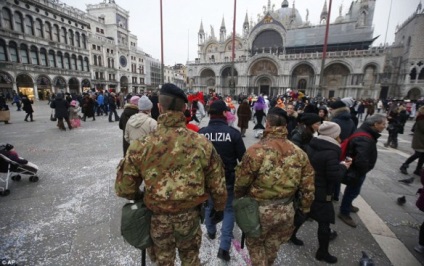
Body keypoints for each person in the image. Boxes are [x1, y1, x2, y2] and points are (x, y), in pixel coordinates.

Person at [115, 83, 227, 266]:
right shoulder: (201, 143)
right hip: (189, 218)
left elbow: (124, 188)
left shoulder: (141, 145)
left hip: (157, 218)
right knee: (191, 261)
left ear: (159, 107)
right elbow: (218, 184)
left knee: (163, 262)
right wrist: (219, 208)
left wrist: (141, 196)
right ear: (184, 108)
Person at [234, 107, 315, 265]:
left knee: (256, 245)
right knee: (272, 247)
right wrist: (304, 209)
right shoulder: (299, 153)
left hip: (259, 211)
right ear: (285, 126)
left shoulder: (256, 151)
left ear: (268, 124)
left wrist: (239, 199)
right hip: (286, 210)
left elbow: (241, 182)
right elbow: (308, 187)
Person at [198, 100, 246, 262]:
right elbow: (243, 160)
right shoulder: (233, 133)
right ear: (224, 113)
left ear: (210, 113)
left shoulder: (201, 133)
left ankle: (211, 230)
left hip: (207, 181)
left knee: (210, 204)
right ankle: (224, 247)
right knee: (229, 210)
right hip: (228, 179)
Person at [307, 122, 351, 263]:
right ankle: (323, 252)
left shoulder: (314, 144)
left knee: (304, 213)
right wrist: (343, 167)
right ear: (334, 134)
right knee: (324, 222)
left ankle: (291, 235)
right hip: (322, 190)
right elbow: (334, 176)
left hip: (310, 186)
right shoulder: (331, 151)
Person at [338, 114, 386, 228]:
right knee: (353, 191)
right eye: (383, 124)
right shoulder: (365, 137)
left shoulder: (365, 132)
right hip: (357, 170)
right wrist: (362, 171)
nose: (385, 126)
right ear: (375, 124)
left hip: (355, 167)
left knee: (352, 190)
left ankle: (347, 205)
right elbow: (361, 159)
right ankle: (344, 212)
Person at [400, 106, 424, 176]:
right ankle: (404, 165)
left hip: (421, 140)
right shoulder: (421, 118)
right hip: (420, 140)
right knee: (418, 154)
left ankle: (418, 170)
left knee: (422, 156)